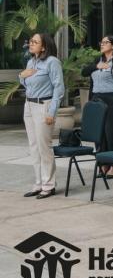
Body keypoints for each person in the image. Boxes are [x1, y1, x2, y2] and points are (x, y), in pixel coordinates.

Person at [20, 33, 64, 199]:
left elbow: (59, 88)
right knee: (34, 147)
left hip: (43, 106)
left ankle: (49, 184)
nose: (30, 44)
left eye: (35, 42)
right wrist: (21, 77)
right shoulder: (31, 62)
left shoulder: (52, 62)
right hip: (29, 105)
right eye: (30, 41)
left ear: (44, 46)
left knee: (44, 147)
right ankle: (38, 183)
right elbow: (26, 81)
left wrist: (51, 112)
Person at [81, 35, 113, 177]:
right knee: (99, 134)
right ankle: (103, 162)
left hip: (112, 98)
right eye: (101, 42)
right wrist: (96, 66)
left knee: (112, 132)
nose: (102, 44)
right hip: (96, 98)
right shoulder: (97, 60)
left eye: (106, 42)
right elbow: (84, 72)